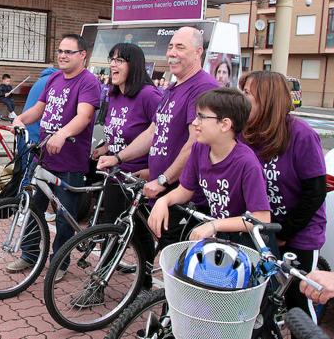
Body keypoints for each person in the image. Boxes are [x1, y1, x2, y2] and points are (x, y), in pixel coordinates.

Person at [98, 26, 218, 250]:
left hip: (183, 192)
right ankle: (143, 283)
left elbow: (195, 143)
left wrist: (163, 179)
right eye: (170, 46)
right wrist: (117, 158)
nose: (172, 52)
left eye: (180, 47)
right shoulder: (173, 88)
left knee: (174, 254)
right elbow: (153, 132)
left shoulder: (204, 87)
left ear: (198, 51)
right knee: (155, 243)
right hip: (161, 185)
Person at [7, 33, 101, 281]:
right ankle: (29, 255)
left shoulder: (88, 82)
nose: (62, 55)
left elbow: (84, 116)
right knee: (34, 207)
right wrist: (20, 120)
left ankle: (59, 261)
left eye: (69, 52)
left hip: (70, 161)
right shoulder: (55, 78)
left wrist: (62, 134)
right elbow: (39, 109)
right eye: (60, 50)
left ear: (82, 55)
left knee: (63, 217)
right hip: (45, 157)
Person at [240, 71, 327, 322]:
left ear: (266, 98)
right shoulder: (247, 132)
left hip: (299, 234)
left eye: (247, 94)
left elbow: (315, 193)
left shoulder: (301, 134)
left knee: (296, 305)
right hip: (263, 230)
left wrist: (284, 233)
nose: (242, 99)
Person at [148, 88, 272, 244]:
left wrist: (214, 225)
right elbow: (185, 190)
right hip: (219, 239)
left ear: (225, 124)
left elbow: (261, 217)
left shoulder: (247, 163)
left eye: (201, 117)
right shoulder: (199, 148)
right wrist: (163, 201)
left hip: (245, 245)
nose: (194, 122)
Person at [92, 42, 162, 288]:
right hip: (116, 174)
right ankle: (101, 281)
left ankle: (140, 282)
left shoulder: (149, 96)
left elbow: (162, 134)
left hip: (140, 177)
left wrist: (155, 172)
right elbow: (119, 133)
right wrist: (105, 149)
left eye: (120, 60)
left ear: (135, 65)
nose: (113, 64)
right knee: (112, 226)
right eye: (112, 58)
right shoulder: (114, 95)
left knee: (139, 232)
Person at [16, 67, 58, 221]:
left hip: (26, 132)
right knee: (28, 175)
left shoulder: (41, 80)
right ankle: (22, 212)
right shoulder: (53, 82)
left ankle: (27, 210)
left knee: (26, 173)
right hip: (34, 134)